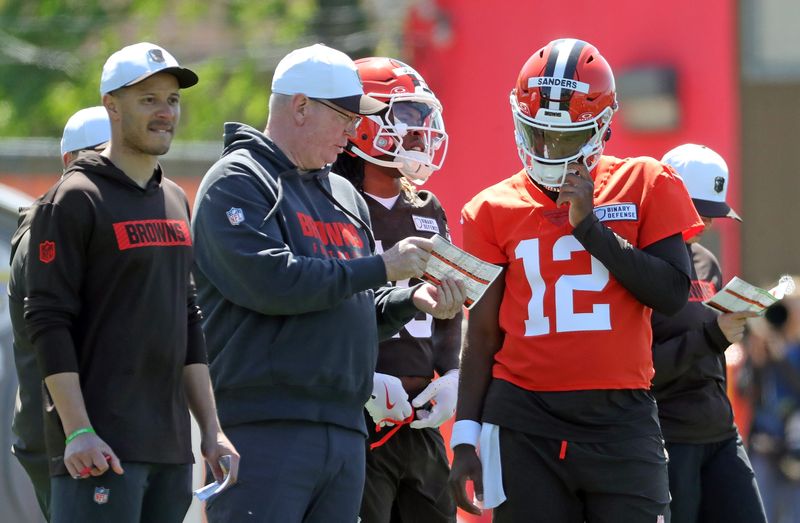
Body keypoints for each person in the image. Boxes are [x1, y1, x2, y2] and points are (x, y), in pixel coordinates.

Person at [191, 43, 465, 523]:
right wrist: (383, 268)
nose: (353, 130)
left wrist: (408, 299)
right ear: (300, 106)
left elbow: (350, 300)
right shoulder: (237, 180)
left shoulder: (342, 193)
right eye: (344, 116)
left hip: (344, 428)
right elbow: (273, 282)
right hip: (265, 425)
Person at [448, 38, 704, 523]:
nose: (546, 149)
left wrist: (588, 227)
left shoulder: (646, 180)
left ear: (602, 126)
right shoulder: (487, 210)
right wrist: (465, 437)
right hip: (524, 421)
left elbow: (672, 294)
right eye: (536, 132)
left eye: (564, 138)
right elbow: (481, 335)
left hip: (621, 417)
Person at [23, 42, 239, 523]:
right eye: (149, 100)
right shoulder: (74, 199)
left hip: (170, 452)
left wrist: (211, 429)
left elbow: (188, 317)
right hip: (96, 451)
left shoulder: (174, 198)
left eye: (172, 100)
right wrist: (78, 430)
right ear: (112, 107)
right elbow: (47, 320)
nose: (165, 113)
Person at [332, 56, 459, 523]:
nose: (420, 132)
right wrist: (358, 379)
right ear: (361, 123)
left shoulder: (426, 206)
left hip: (419, 417)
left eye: (424, 119)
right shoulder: (332, 201)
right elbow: (329, 298)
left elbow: (449, 301)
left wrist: (451, 373)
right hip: (358, 417)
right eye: (405, 117)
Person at [651, 143, 767, 522]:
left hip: (720, 431)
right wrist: (714, 335)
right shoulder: (641, 265)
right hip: (669, 439)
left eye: (714, 213)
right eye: (702, 212)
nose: (711, 223)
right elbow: (636, 369)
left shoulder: (706, 261)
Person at [9, 106, 111, 522]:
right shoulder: (48, 232)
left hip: (81, 435)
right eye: (98, 159)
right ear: (69, 163)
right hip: (63, 438)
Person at [740, 286, 800, 523]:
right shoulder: (759, 349)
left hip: (794, 447)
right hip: (764, 443)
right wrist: (756, 360)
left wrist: (781, 357)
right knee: (764, 511)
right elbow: (746, 392)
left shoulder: (791, 351)